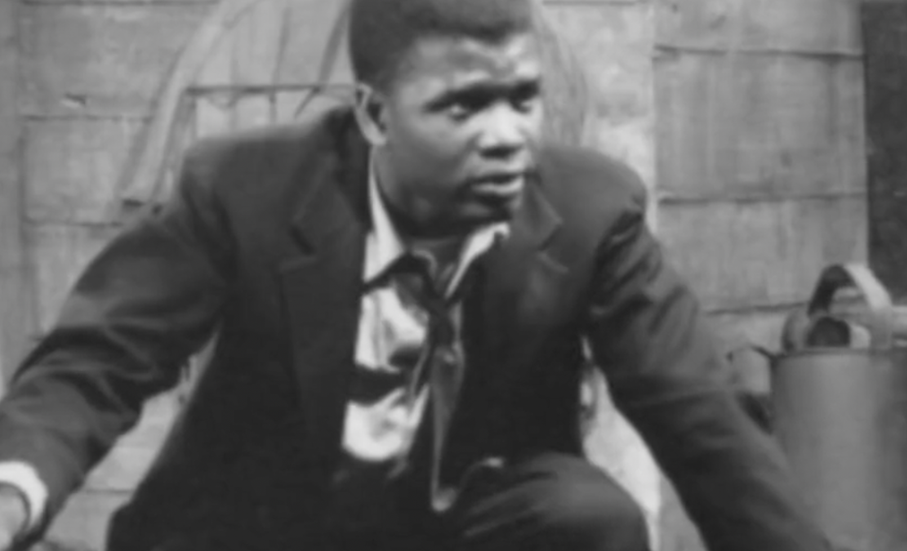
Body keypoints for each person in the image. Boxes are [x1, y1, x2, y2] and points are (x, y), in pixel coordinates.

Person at [0, 0, 830, 550]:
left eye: (523, 98)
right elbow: (99, 360)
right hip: (255, 525)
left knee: (588, 518)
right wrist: (12, 490)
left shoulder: (591, 213)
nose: (508, 136)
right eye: (463, 106)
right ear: (373, 114)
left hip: (454, 524)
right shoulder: (244, 189)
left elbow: (703, 422)